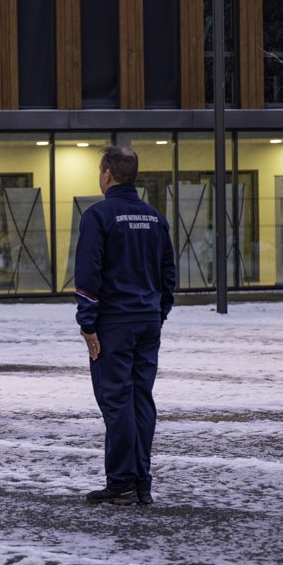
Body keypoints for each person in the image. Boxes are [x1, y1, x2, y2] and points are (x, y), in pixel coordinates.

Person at [74, 146, 176, 506]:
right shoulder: (155, 217)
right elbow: (169, 275)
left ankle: (121, 483)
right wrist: (157, 313)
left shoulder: (98, 216)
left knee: (116, 400)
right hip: (147, 321)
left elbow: (88, 274)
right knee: (140, 399)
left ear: (106, 175)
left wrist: (88, 324)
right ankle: (141, 482)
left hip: (113, 324)